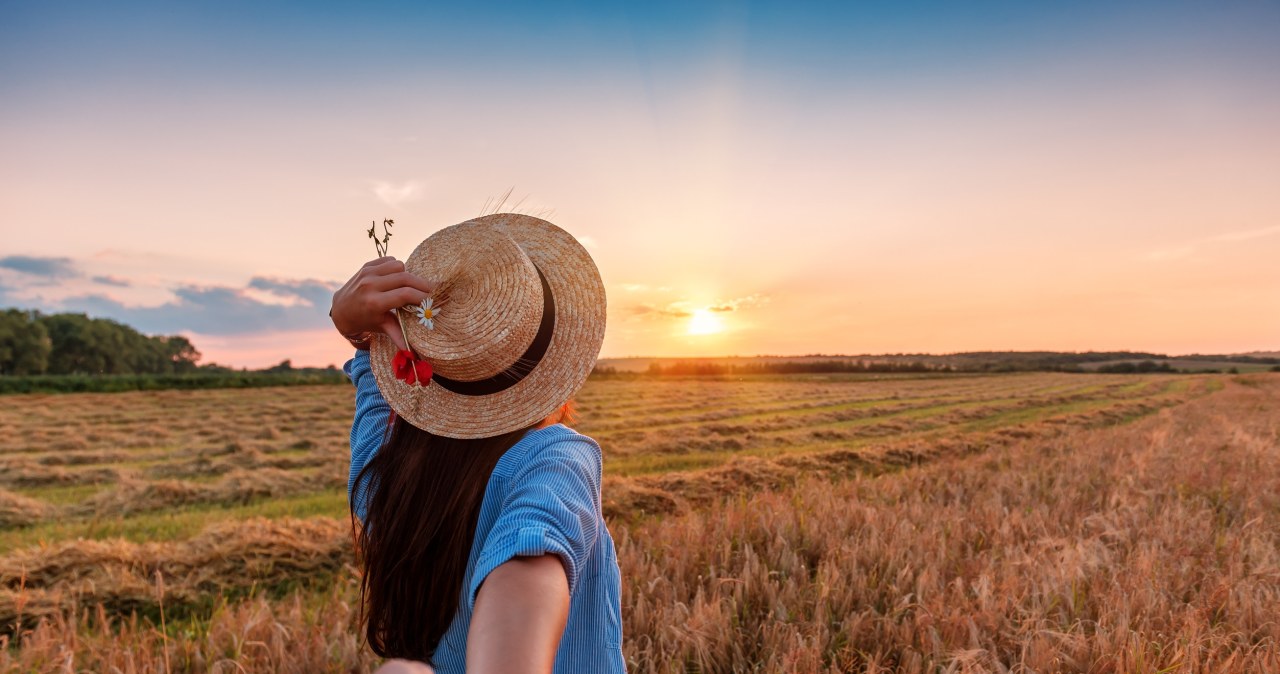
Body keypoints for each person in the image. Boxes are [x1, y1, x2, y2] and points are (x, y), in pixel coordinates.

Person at [328, 214, 625, 673]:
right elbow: (528, 558)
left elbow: (374, 390)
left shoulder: (387, 480)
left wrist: (359, 336)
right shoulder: (555, 458)